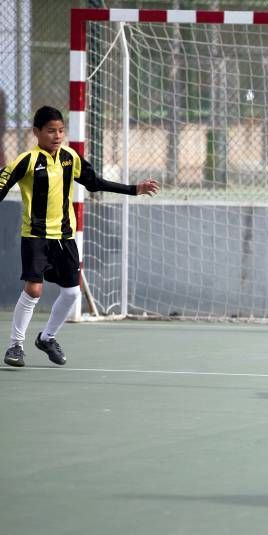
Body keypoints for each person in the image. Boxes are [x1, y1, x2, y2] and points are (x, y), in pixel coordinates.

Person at [0, 105, 160, 367]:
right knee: (34, 289)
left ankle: (47, 337)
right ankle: (15, 346)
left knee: (72, 294)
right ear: (36, 132)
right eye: (51, 131)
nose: (57, 135)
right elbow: (2, 184)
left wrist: (134, 189)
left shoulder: (69, 158)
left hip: (65, 237)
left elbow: (94, 182)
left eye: (61, 130)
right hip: (36, 236)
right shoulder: (26, 160)